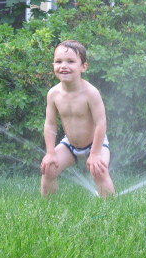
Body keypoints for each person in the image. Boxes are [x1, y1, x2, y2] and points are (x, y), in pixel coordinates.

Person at [40, 40, 115, 198]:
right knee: (49, 169)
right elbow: (50, 124)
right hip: (70, 144)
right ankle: (47, 207)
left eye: (71, 61)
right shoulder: (53, 94)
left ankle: (110, 209)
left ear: (83, 67)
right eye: (58, 61)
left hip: (95, 144)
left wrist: (95, 154)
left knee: (99, 171)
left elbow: (101, 123)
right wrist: (50, 152)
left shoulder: (90, 93)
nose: (64, 66)